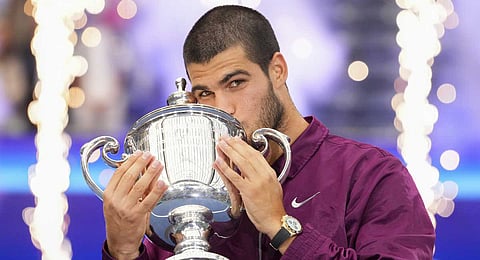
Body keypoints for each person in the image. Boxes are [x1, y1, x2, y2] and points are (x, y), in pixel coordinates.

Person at [101, 5, 435, 260]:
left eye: (236, 83)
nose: (223, 107)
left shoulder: (370, 175)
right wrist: (123, 250)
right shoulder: (192, 193)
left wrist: (281, 226)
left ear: (277, 70)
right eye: (205, 93)